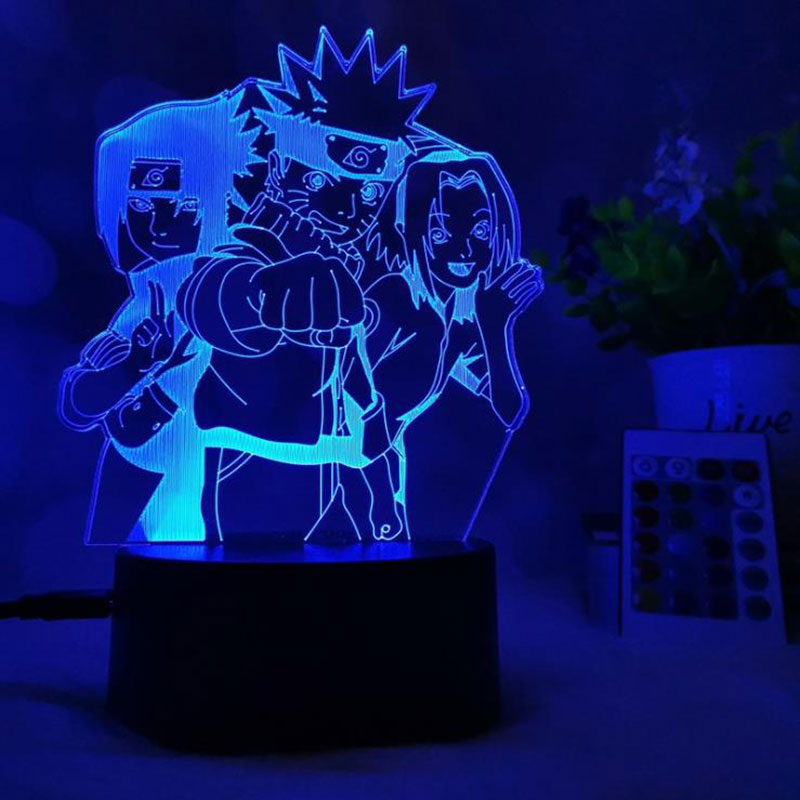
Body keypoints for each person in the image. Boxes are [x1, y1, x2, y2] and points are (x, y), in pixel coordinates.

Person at [58, 89, 260, 542]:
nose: (159, 224)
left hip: (198, 479)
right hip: (137, 468)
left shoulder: (226, 300)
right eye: (142, 205)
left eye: (186, 206)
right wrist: (136, 366)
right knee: (106, 562)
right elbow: (82, 404)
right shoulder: (141, 307)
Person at [353, 152, 544, 530]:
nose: (464, 250)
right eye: (441, 234)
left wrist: (496, 327)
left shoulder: (459, 317)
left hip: (379, 477)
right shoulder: (389, 298)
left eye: (480, 232)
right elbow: (354, 414)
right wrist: (380, 495)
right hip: (342, 470)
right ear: (412, 230)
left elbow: (509, 410)